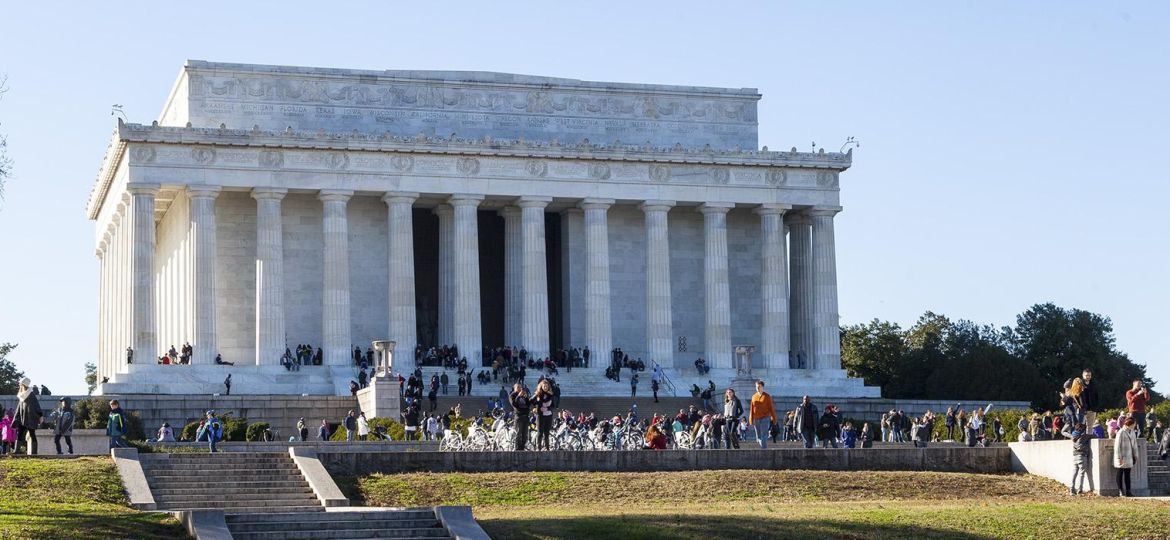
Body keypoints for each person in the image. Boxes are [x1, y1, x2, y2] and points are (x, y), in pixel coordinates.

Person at [13, 378, 43, 455]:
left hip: (30, 417)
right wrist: (17, 418)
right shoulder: (21, 395)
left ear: (23, 384)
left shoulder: (31, 394)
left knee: (32, 434)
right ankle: (16, 451)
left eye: (20, 383)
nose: (19, 385)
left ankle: (34, 453)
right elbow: (19, 408)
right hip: (22, 417)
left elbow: (37, 405)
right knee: (19, 433)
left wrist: (40, 416)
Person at [1062, 421, 1093, 495]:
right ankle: (1080, 489)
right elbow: (1094, 435)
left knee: (1074, 473)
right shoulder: (1084, 436)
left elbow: (1063, 432)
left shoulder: (1073, 435)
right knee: (1082, 473)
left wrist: (1067, 424)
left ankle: (1072, 489)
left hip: (1075, 456)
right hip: (1082, 456)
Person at [1113, 417, 1140, 497]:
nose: (1135, 425)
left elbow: (1134, 445)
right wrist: (1118, 457)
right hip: (1122, 456)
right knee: (1120, 473)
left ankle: (1128, 491)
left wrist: (1135, 456)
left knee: (1128, 474)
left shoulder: (1132, 432)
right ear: (1130, 424)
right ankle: (1120, 490)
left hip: (1129, 456)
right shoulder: (1121, 432)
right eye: (1134, 424)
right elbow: (1117, 446)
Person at [747, 380, 777, 449]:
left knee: (764, 434)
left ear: (762, 387)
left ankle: (764, 450)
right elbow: (751, 408)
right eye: (756, 386)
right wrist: (750, 419)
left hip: (765, 417)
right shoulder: (754, 396)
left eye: (759, 386)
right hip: (756, 418)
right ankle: (763, 448)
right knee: (758, 436)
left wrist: (774, 418)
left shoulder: (767, 396)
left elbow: (771, 408)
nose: (757, 388)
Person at [533, 379, 555, 451]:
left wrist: (548, 408)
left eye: (547, 386)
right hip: (540, 415)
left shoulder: (551, 395)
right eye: (544, 386)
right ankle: (538, 447)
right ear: (541, 387)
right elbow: (531, 401)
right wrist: (535, 408)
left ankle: (547, 447)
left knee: (547, 433)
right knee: (540, 432)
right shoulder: (538, 394)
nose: (545, 387)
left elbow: (554, 405)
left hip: (548, 415)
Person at [509, 383, 531, 451]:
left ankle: (522, 447)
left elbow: (528, 404)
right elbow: (514, 404)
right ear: (514, 388)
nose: (519, 389)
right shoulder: (512, 395)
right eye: (518, 387)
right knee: (518, 433)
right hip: (519, 416)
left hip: (525, 416)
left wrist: (526, 397)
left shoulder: (524, 395)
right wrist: (518, 396)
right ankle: (517, 448)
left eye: (520, 387)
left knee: (525, 434)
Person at [1080, 369, 1100, 434]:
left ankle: (1089, 440)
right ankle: (1081, 440)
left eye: (1089, 375)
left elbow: (1097, 396)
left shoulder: (1093, 384)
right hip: (1082, 409)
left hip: (1092, 409)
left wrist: (1096, 406)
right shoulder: (1079, 384)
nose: (1088, 377)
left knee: (1090, 426)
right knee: (1081, 426)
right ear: (1083, 376)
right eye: (1086, 375)